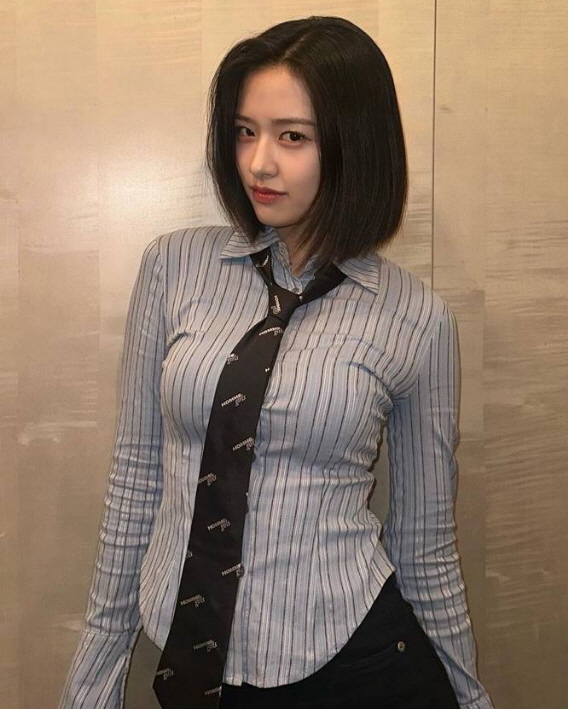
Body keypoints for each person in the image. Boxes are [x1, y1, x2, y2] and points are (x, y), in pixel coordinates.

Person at [60, 15, 494, 709]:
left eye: (293, 136)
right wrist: (94, 677)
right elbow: (136, 476)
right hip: (188, 646)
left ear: (355, 144)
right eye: (245, 131)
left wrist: (468, 698)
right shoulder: (173, 267)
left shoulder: (417, 319)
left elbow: (425, 543)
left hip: (350, 659)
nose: (259, 162)